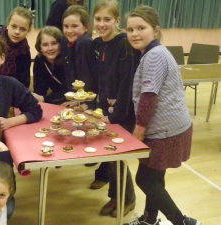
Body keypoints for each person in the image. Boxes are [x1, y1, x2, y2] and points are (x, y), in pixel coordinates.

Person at [125, 5, 201, 225]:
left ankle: (183, 221)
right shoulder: (154, 53)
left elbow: (148, 98)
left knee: (145, 179)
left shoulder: (154, 56)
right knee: (155, 177)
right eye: (130, 29)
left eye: (141, 28)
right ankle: (150, 219)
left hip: (165, 131)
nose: (135, 34)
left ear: (155, 31)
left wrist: (138, 133)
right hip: (173, 126)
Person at [90, 0, 140, 218]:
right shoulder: (101, 43)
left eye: (107, 19)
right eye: (98, 19)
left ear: (117, 21)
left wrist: (117, 115)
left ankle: (128, 199)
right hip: (107, 110)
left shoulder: (124, 45)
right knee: (110, 156)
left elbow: (126, 84)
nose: (102, 24)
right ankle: (115, 196)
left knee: (116, 155)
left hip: (123, 112)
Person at [60, 5, 96, 104]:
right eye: (66, 26)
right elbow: (69, 74)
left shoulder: (84, 43)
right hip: (75, 96)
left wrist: (78, 101)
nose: (69, 31)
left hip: (88, 99)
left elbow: (87, 79)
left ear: (86, 27)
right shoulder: (64, 40)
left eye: (74, 26)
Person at [32, 26, 68, 104]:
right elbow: (39, 90)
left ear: (61, 44)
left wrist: (44, 99)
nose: (50, 48)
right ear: (40, 47)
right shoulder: (39, 60)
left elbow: (69, 92)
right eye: (45, 45)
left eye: (54, 43)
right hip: (53, 101)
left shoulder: (67, 60)